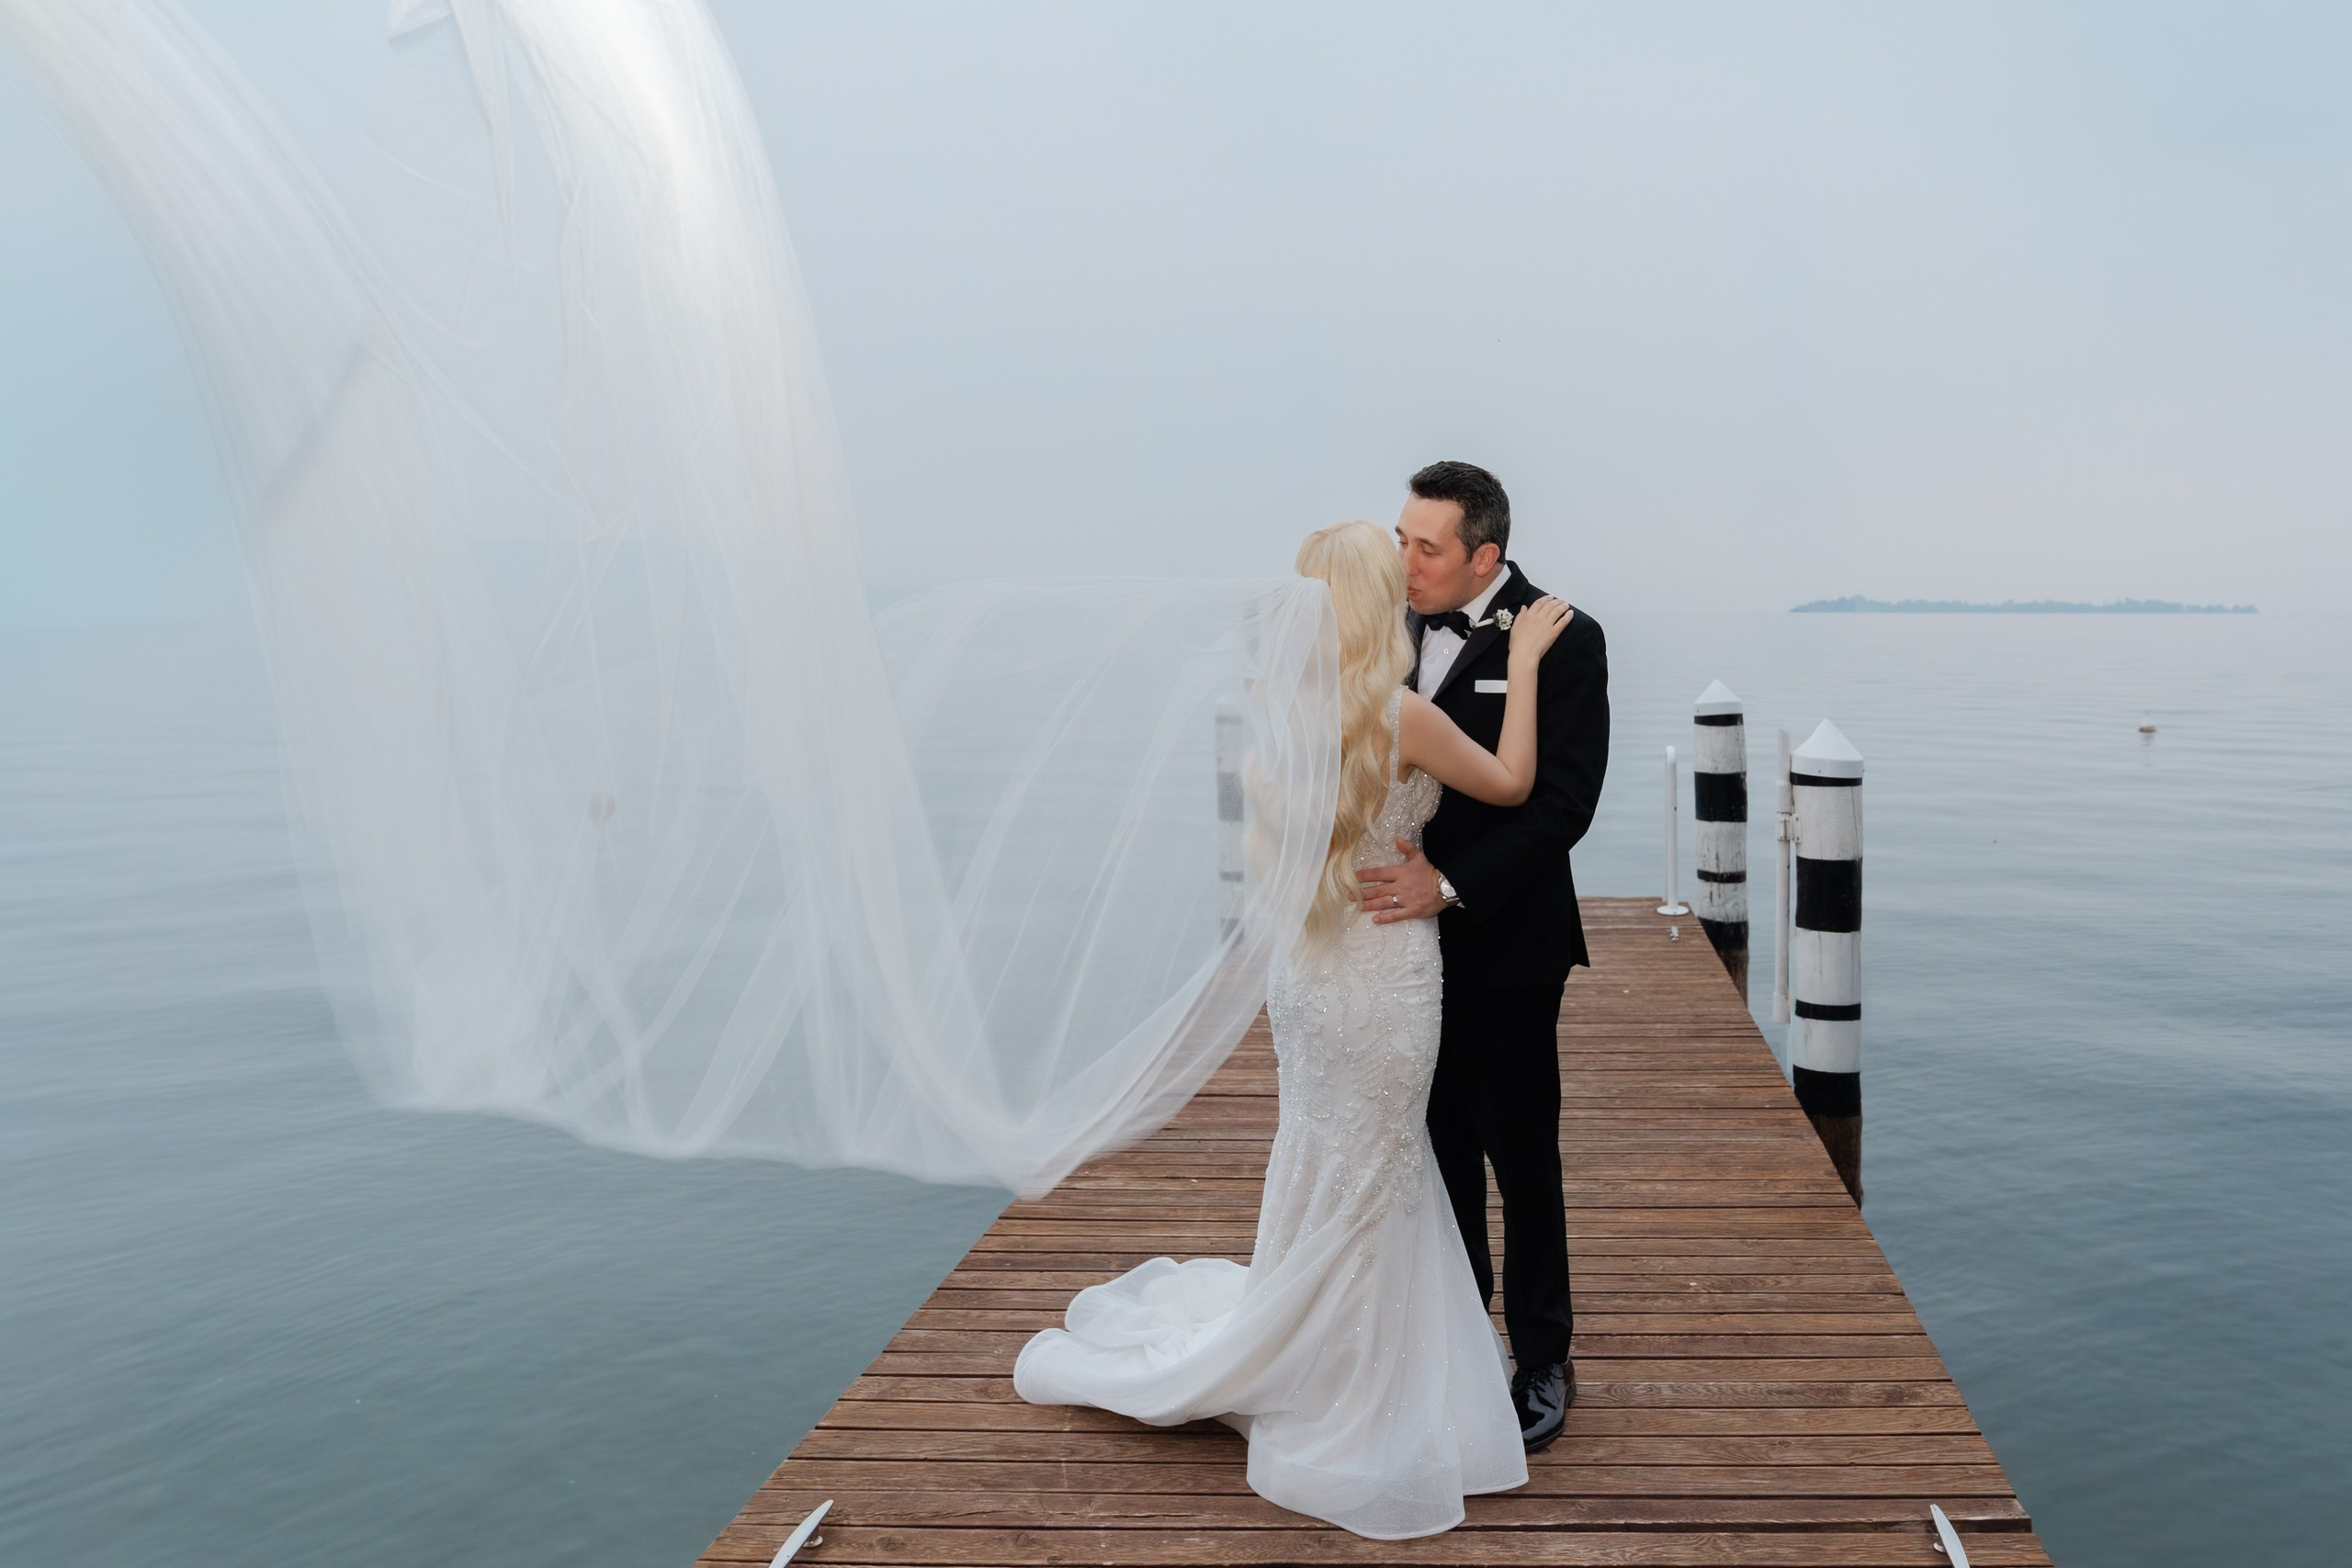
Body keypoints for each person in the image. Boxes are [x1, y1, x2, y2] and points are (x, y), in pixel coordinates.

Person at [1013, 519, 1576, 1539]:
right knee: (1382, 1161)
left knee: (1328, 1151)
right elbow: (1511, 782)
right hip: (1386, 967)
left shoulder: (1280, 705)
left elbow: (1280, 851)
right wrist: (1526, 664)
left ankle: (1317, 1334)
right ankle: (1362, 1371)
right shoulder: (1400, 713)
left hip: (1311, 968)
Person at [1356, 460, 1611, 1454]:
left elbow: (1562, 805)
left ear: (1484, 556)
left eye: (1426, 548)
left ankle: (1543, 1356)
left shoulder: (1565, 637)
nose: (1404, 563)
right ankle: (1460, 1340)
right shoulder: (1391, 624)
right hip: (1396, 948)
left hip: (1506, 940)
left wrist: (1451, 885)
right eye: (1400, 539)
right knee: (1437, 1145)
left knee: (1520, 1151)